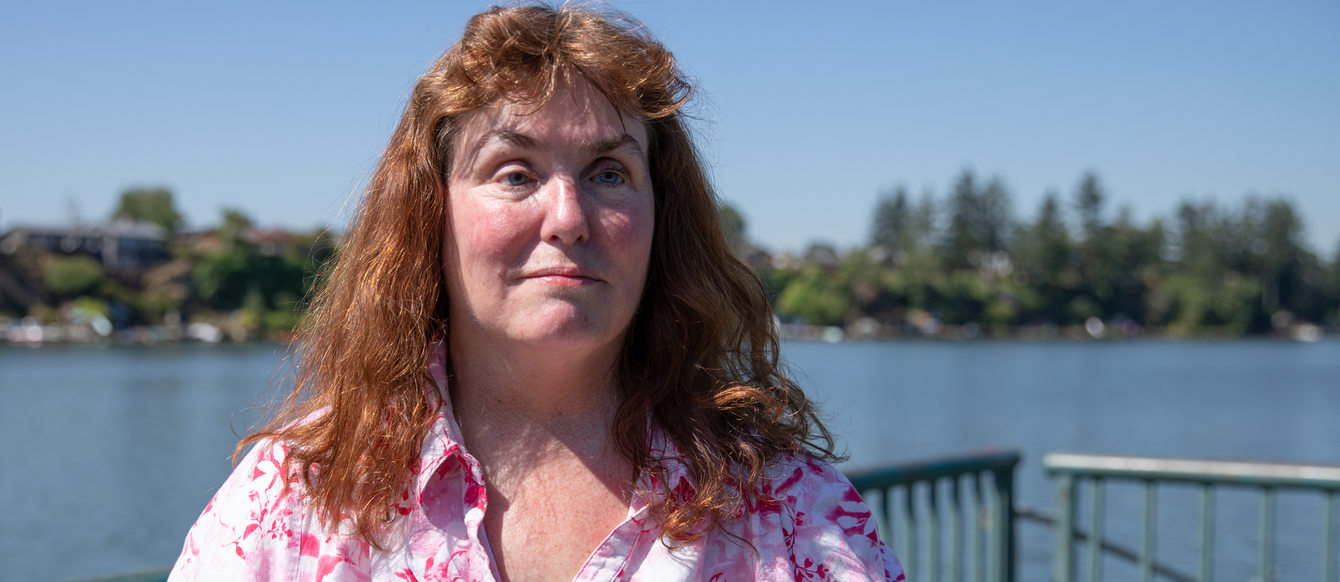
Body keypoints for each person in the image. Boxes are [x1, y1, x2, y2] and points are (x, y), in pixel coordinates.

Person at [170, 4, 903, 581]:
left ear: (662, 217)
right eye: (514, 172)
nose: (569, 218)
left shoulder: (790, 513)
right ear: (432, 211)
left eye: (609, 173)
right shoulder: (296, 502)